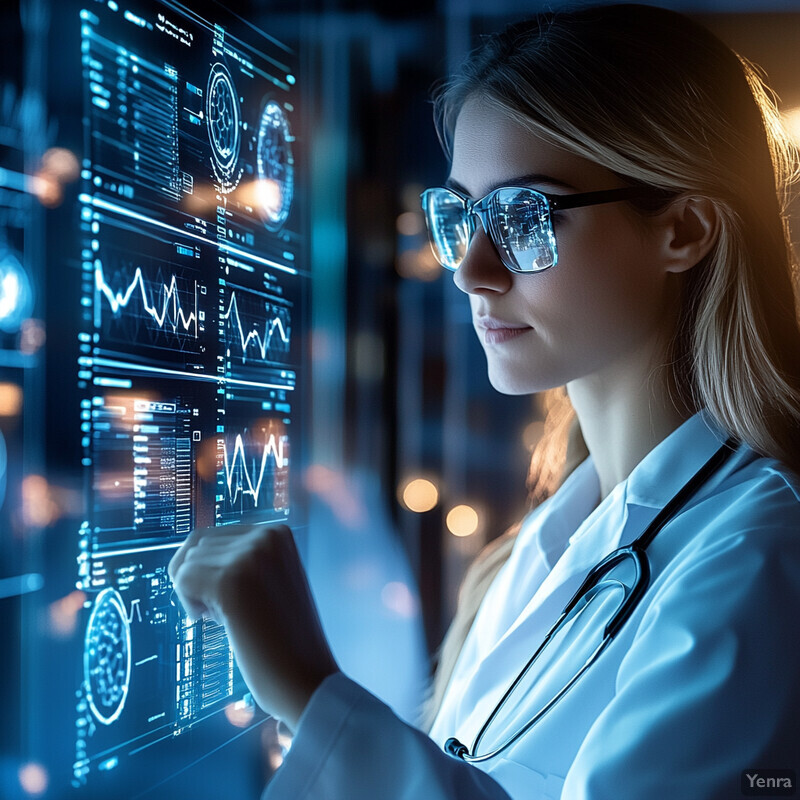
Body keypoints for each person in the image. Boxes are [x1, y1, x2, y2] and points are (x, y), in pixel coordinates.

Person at [168, 4, 800, 798]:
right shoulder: (538, 551)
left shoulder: (761, 557)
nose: (472, 269)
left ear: (686, 228)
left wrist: (308, 689)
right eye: (466, 216)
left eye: (524, 216)